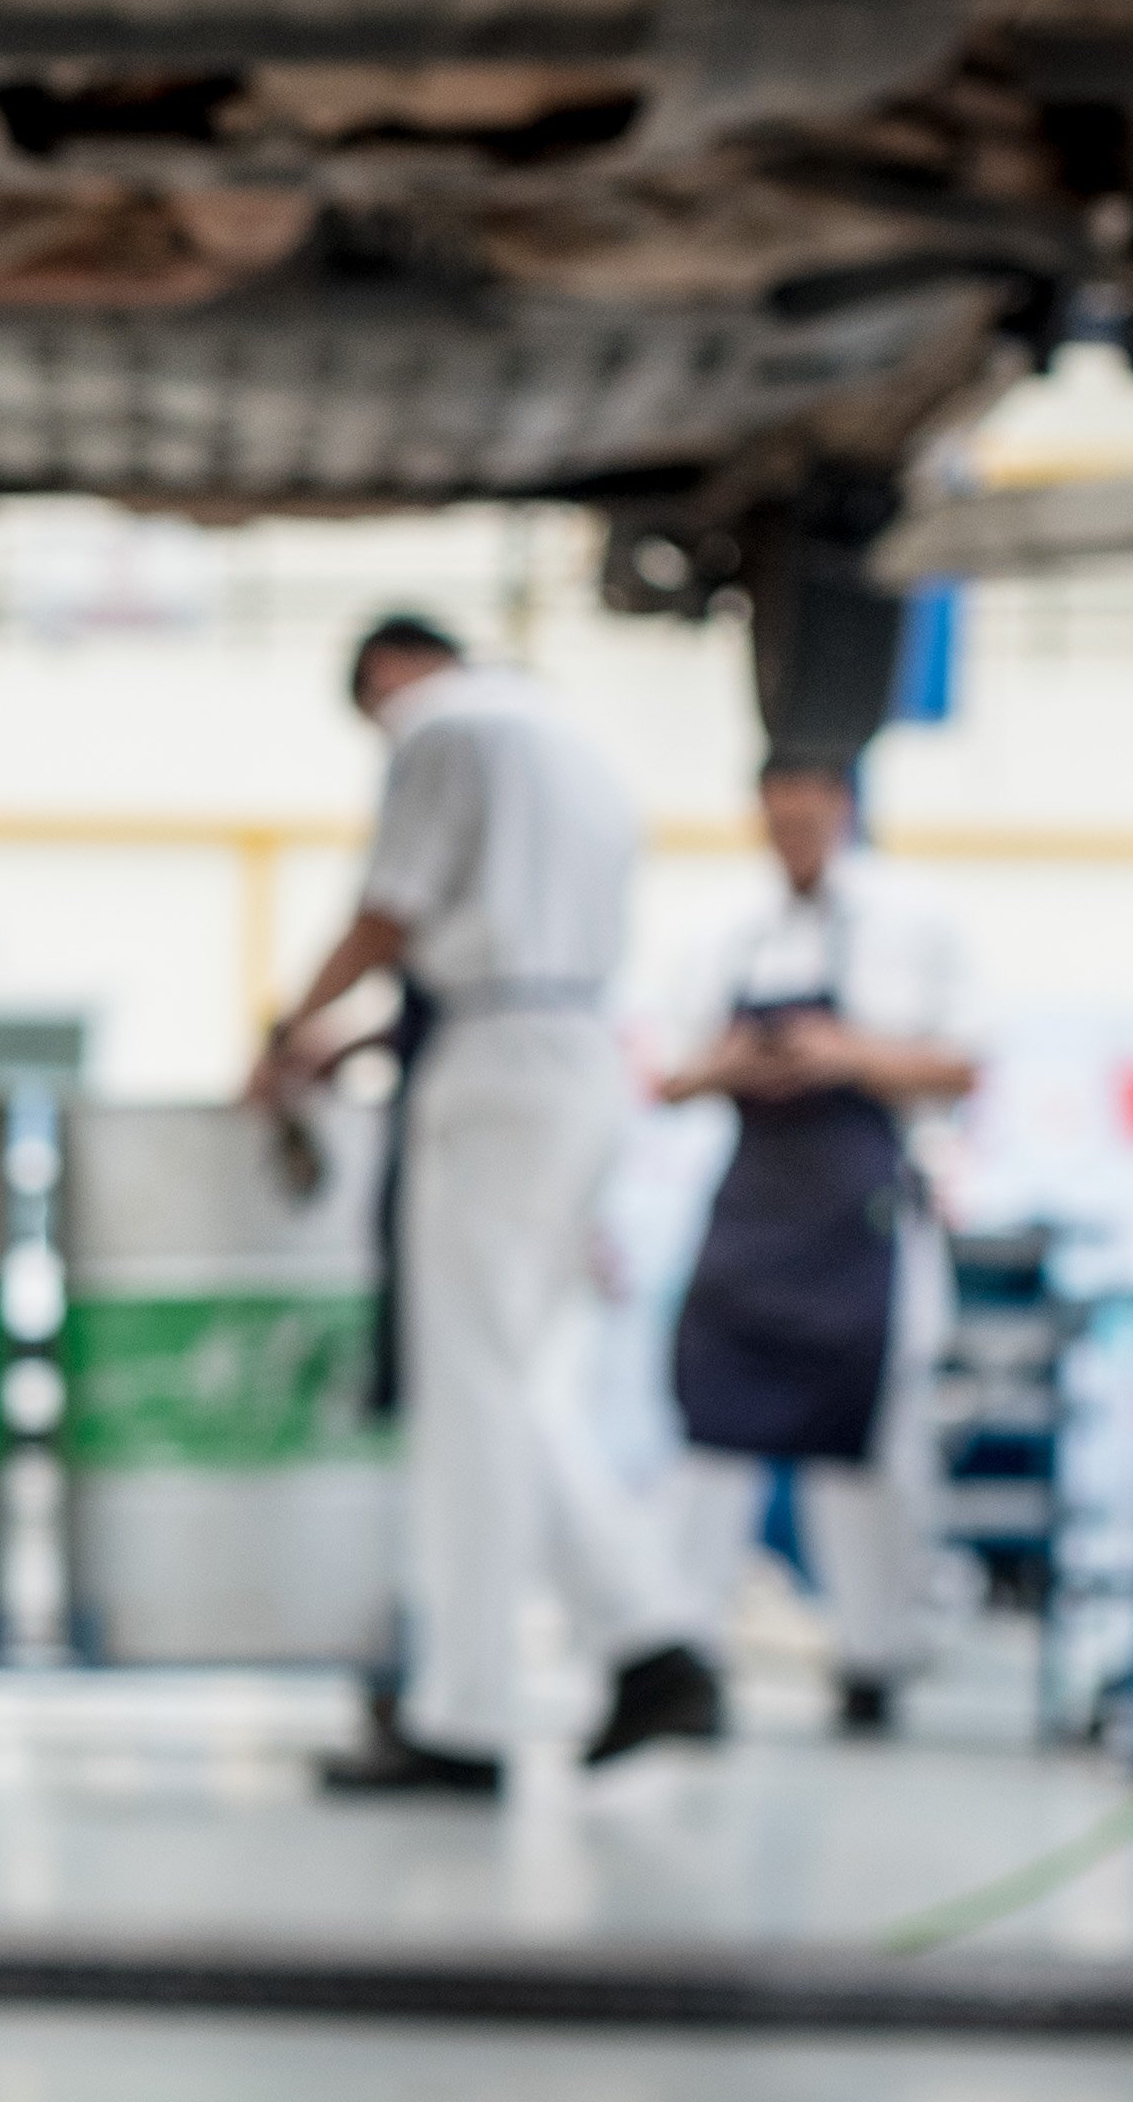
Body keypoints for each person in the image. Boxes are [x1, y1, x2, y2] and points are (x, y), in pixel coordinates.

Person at [266, 614, 726, 1793]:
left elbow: (392, 912)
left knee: (468, 1390)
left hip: (492, 1073)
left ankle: (465, 1715)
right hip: (576, 1054)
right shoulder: (572, 742)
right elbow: (505, 947)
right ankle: (648, 1637)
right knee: (509, 1379)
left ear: (387, 675)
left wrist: (288, 1028)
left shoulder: (440, 727)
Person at [657, 755, 985, 1733]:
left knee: (869, 1449)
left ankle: (873, 1658)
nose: (792, 837)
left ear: (840, 810)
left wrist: (845, 1054)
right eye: (775, 821)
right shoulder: (722, 933)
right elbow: (665, 1079)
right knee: (709, 1436)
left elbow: (967, 1061)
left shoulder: (913, 924)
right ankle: (684, 1657)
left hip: (860, 1221)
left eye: (808, 818)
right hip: (754, 1212)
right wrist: (733, 1065)